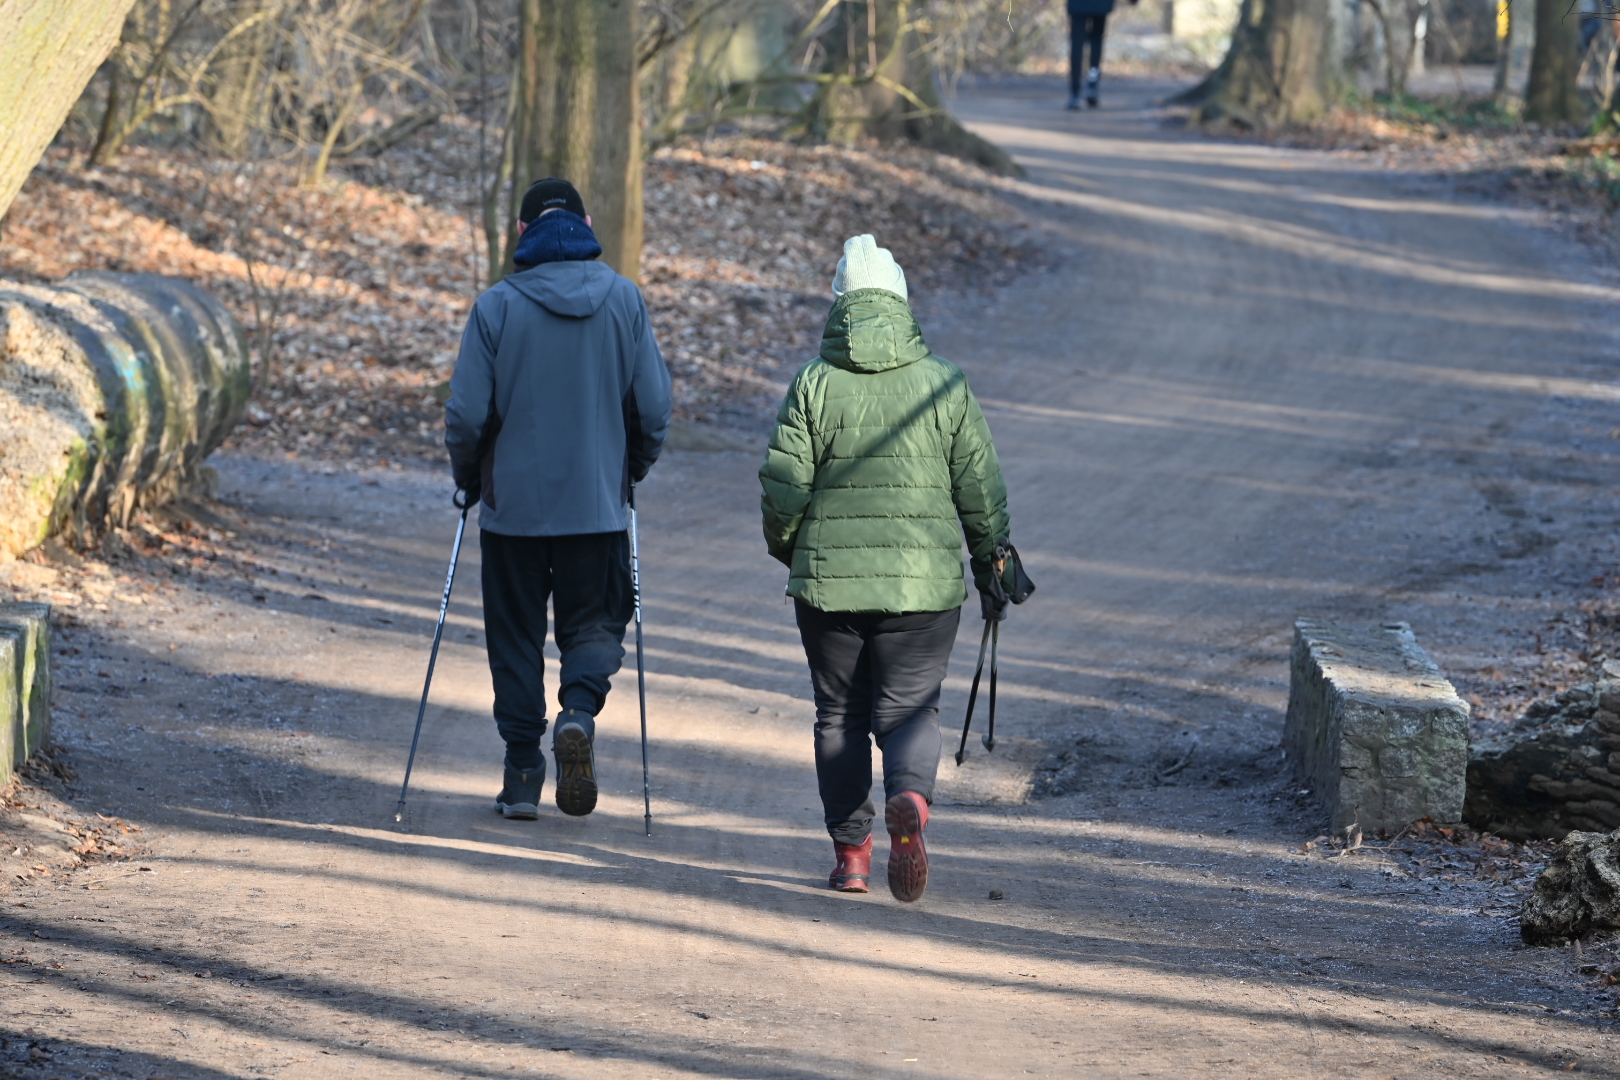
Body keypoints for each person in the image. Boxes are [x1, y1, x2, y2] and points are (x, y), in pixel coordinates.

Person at [759, 235, 1012, 903]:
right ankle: (912, 807)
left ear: (838, 303)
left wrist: (796, 550)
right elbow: (979, 485)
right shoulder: (945, 384)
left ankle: (853, 858)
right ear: (903, 302)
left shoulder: (813, 383)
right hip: (924, 590)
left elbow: (783, 488)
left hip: (828, 588)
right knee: (909, 709)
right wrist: (992, 556)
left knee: (838, 714)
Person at [445, 177, 671, 821]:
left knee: (514, 637)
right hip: (597, 506)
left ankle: (522, 772)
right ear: (589, 222)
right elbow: (653, 408)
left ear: (520, 235)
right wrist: (630, 469)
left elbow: (466, 413)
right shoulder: (625, 302)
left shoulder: (496, 307)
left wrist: (468, 476)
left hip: (512, 509)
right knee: (595, 623)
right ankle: (577, 711)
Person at [1067, 0, 1138, 109]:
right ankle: (1092, 84)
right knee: (1096, 44)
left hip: (1078, 4)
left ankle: (1075, 92)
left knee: (1077, 44)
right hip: (1100, 4)